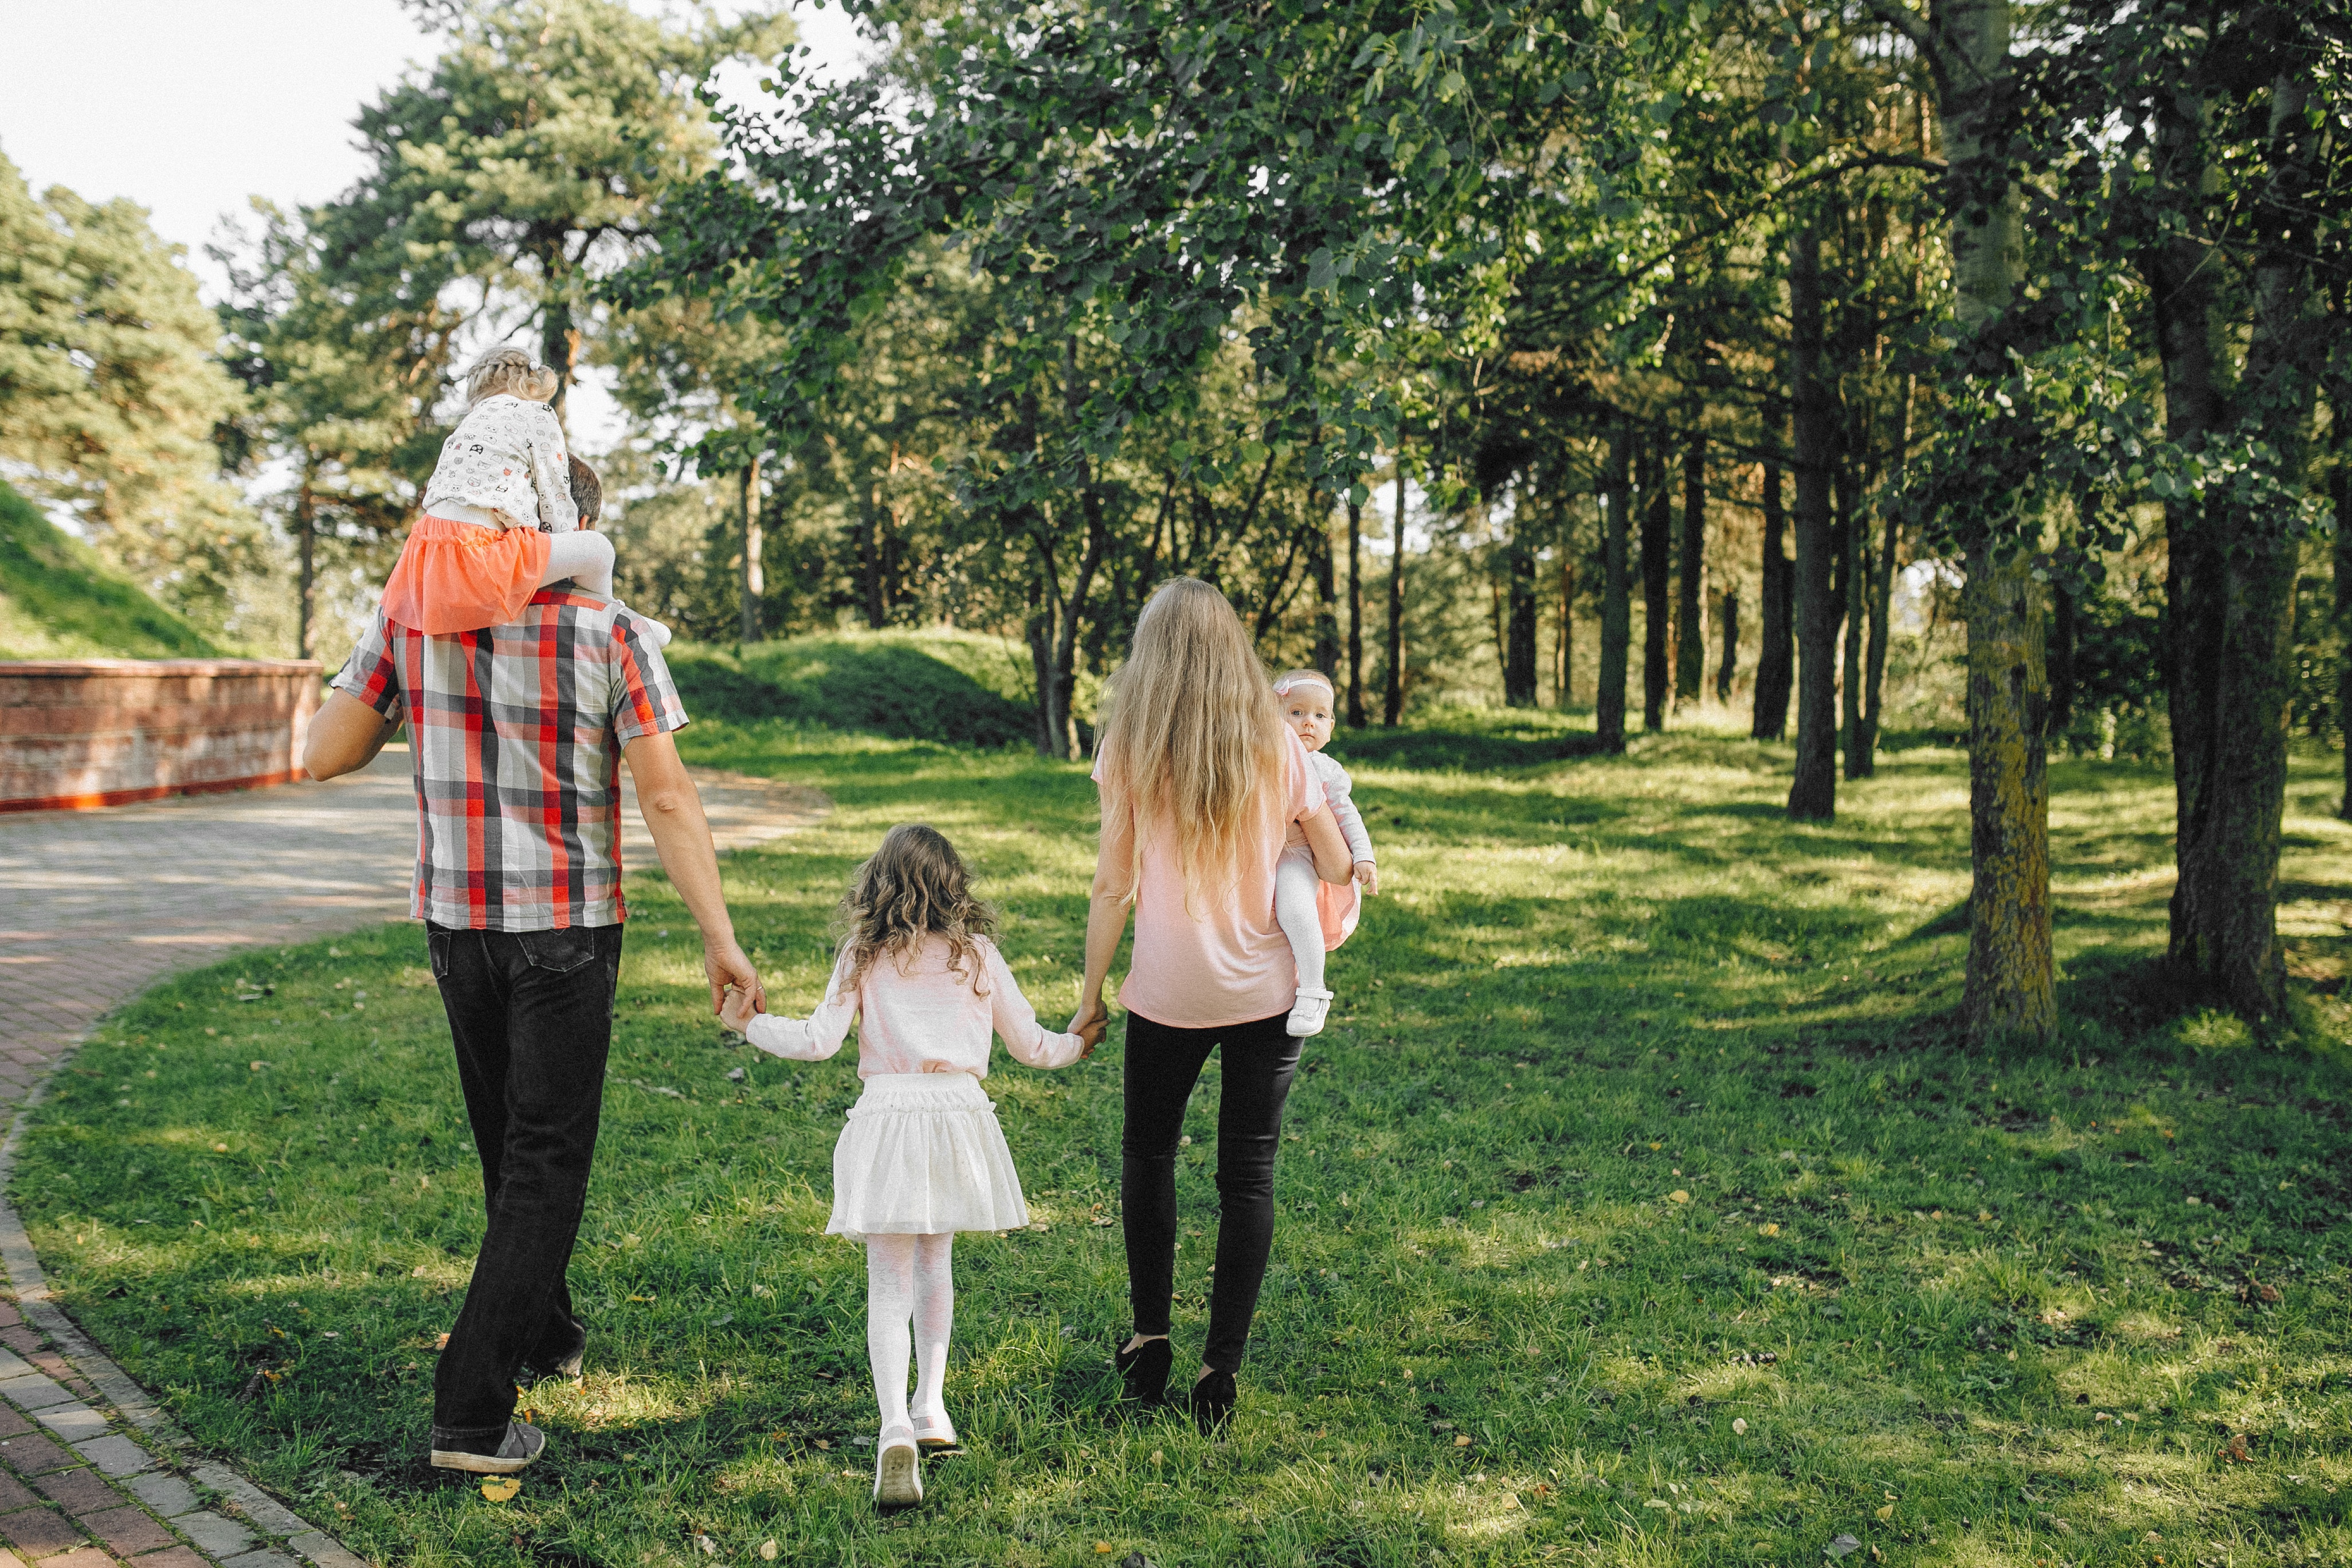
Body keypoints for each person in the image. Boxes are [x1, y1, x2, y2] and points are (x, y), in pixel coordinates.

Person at [302, 542, 759, 1476]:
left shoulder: (411, 618)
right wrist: (718, 934)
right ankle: (471, 1413)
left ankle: (545, 1334)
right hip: (565, 928)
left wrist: (402, 633)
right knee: (544, 1158)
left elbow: (324, 755)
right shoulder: (608, 629)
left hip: (457, 928)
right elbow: (665, 794)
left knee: (506, 1144)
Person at [721, 824, 1103, 1510]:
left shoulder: (863, 956)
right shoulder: (976, 955)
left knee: (889, 1278)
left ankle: (894, 1421)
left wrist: (748, 1023)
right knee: (937, 1265)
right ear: (957, 887)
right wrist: (1080, 1041)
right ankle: (931, 1405)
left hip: (888, 1119)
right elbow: (1030, 1045)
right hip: (956, 1119)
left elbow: (817, 1040)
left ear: (878, 887)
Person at [1069, 579, 1355, 1432]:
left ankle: (1150, 1339)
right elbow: (1336, 867)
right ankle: (1218, 1370)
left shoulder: (1129, 745)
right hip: (1268, 991)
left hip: (1166, 993)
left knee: (1149, 1157)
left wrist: (1089, 999)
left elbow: (1112, 886)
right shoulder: (1280, 748)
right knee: (1248, 1173)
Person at [377, 346, 669, 645]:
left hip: (428, 556)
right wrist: (566, 557)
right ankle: (613, 625)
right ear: (529, 385)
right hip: (479, 555)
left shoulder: (468, 425)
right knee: (597, 550)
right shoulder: (535, 413)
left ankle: (615, 618)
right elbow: (555, 496)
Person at [1267, 669, 1379, 1036]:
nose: (1308, 724)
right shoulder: (1259, 758)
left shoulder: (1324, 769)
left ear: (1331, 725)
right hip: (1253, 851)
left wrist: (1364, 855)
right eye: (1296, 713)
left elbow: (1347, 815)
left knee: (1296, 906)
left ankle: (1313, 991)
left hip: (1295, 854)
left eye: (1319, 716)